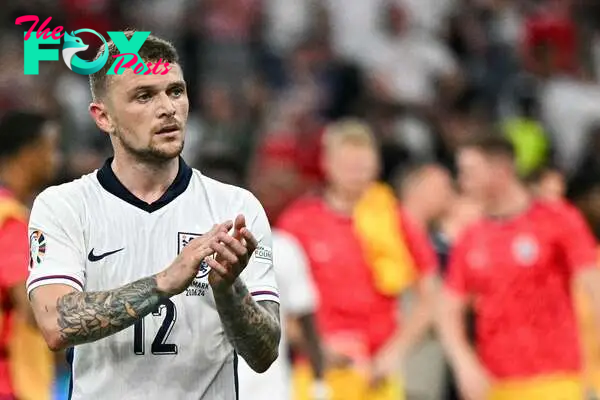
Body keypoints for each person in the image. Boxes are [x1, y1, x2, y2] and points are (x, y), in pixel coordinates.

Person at [26, 32, 281, 400]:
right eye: (144, 96)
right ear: (103, 117)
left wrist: (228, 290)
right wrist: (165, 281)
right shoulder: (65, 205)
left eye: (175, 91)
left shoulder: (236, 208)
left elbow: (264, 353)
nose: (167, 108)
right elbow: (55, 324)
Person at [278, 119, 437, 400]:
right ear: (326, 164)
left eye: (362, 164)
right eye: (347, 164)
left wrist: (395, 352)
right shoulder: (298, 222)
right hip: (318, 372)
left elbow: (431, 295)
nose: (356, 173)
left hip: (377, 373)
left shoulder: (393, 218)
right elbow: (271, 302)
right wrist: (316, 346)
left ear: (376, 166)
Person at [438, 135, 600, 400]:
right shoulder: (471, 237)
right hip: (497, 385)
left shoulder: (557, 219)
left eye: (470, 172)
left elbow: (593, 286)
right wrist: (463, 362)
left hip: (556, 379)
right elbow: (447, 309)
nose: (462, 181)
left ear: (501, 171)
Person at [0, 111, 60, 400]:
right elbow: (29, 307)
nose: (55, 158)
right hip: (13, 383)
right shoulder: (11, 220)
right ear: (28, 152)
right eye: (51, 147)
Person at [237, 229, 327, 400]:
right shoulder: (197, 245)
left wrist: (319, 381)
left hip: (270, 388)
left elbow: (306, 319)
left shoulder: (282, 248)